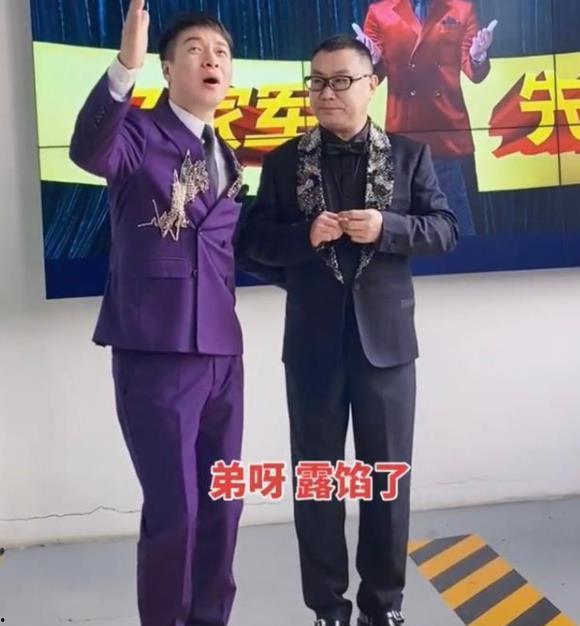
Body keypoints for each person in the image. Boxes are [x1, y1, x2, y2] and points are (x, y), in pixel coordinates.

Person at [240, 35, 458, 626]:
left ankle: (383, 606)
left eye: (340, 81)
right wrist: (304, 236)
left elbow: (445, 229)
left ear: (372, 85)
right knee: (317, 480)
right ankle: (327, 608)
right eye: (317, 81)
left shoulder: (410, 157)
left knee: (387, 480)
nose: (326, 92)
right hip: (312, 346)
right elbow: (253, 243)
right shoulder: (284, 162)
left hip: (386, 346)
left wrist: (388, 227)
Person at [70, 3, 247, 625]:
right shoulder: (139, 135)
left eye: (221, 53)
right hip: (157, 349)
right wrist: (126, 65)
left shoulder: (227, 154)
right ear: (168, 69)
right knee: (176, 511)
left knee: (224, 505)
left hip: (223, 352)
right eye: (195, 50)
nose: (211, 60)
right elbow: (88, 149)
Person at [354, 0, 496, 235]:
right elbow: (370, 80)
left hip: (449, 134)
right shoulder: (379, 12)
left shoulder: (460, 9)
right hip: (404, 135)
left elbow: (474, 72)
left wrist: (477, 56)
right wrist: (373, 61)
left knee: (462, 228)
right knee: (404, 229)